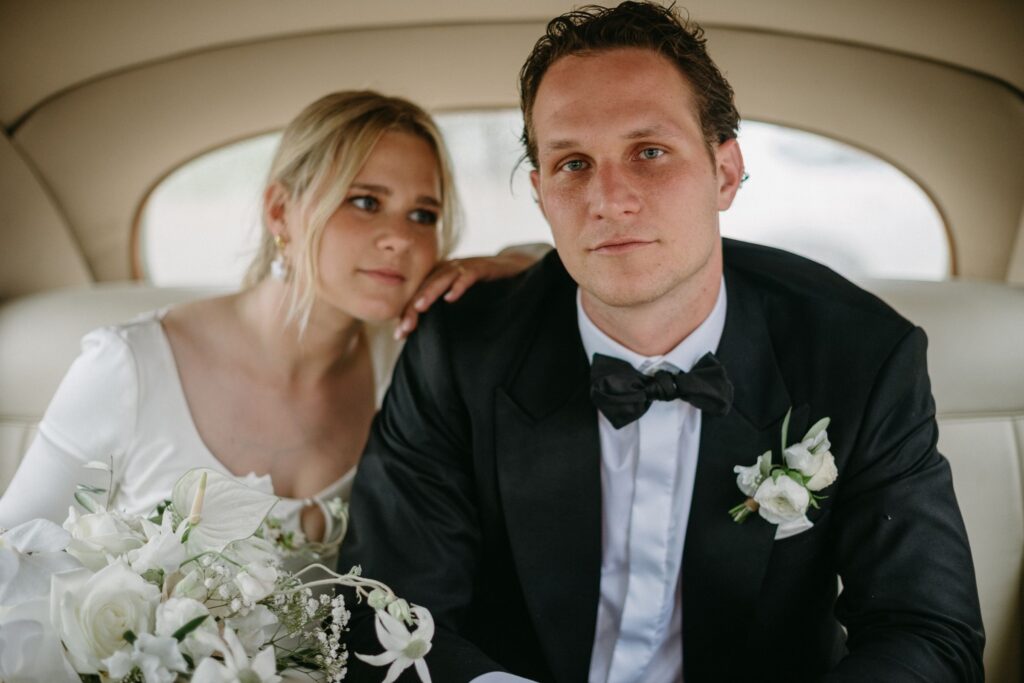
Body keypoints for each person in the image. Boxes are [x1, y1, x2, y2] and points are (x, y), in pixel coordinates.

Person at [338, 3, 985, 682]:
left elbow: (928, 633)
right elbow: (386, 612)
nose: (608, 198)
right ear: (540, 194)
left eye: (649, 152)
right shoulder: (458, 350)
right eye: (573, 163)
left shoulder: (859, 354)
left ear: (726, 171)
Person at [0, 91, 543, 563]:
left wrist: (502, 264)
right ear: (280, 211)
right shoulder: (130, 366)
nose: (400, 238)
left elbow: (550, 266)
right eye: (365, 201)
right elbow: (14, 552)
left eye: (423, 215)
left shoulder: (409, 359)